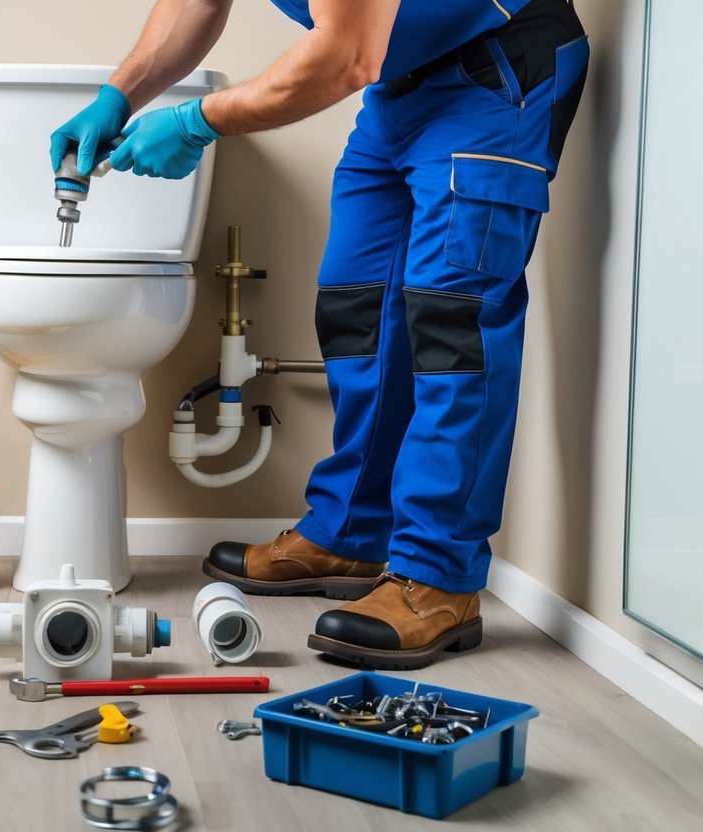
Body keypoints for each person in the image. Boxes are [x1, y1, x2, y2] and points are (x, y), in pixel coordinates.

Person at [50, 0, 588, 670]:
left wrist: (195, 121)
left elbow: (342, 56)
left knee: (453, 328)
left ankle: (439, 577)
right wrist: (118, 94)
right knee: (355, 309)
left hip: (495, 73)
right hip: (400, 89)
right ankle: (351, 533)